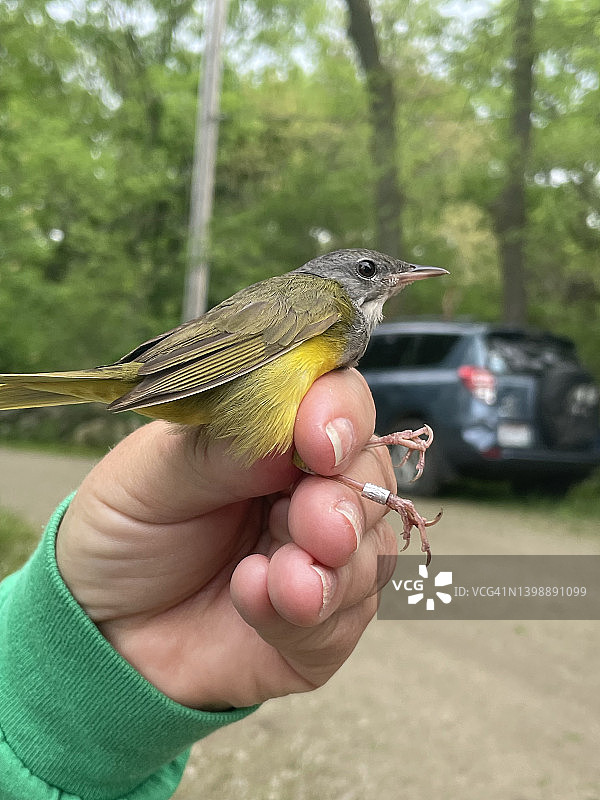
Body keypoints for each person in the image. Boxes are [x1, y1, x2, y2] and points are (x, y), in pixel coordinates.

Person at [0, 368, 398, 800]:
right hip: (208, 388)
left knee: (319, 452)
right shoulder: (324, 307)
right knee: (314, 448)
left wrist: (91, 672)